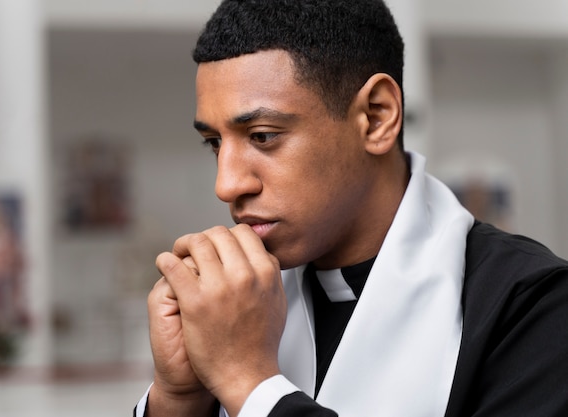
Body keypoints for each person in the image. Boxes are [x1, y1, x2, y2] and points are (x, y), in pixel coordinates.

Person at [135, 0, 568, 416]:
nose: (226, 185)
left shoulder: (533, 306)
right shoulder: (234, 304)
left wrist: (246, 380)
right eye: (214, 143)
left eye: (263, 136)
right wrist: (178, 400)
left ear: (377, 117)